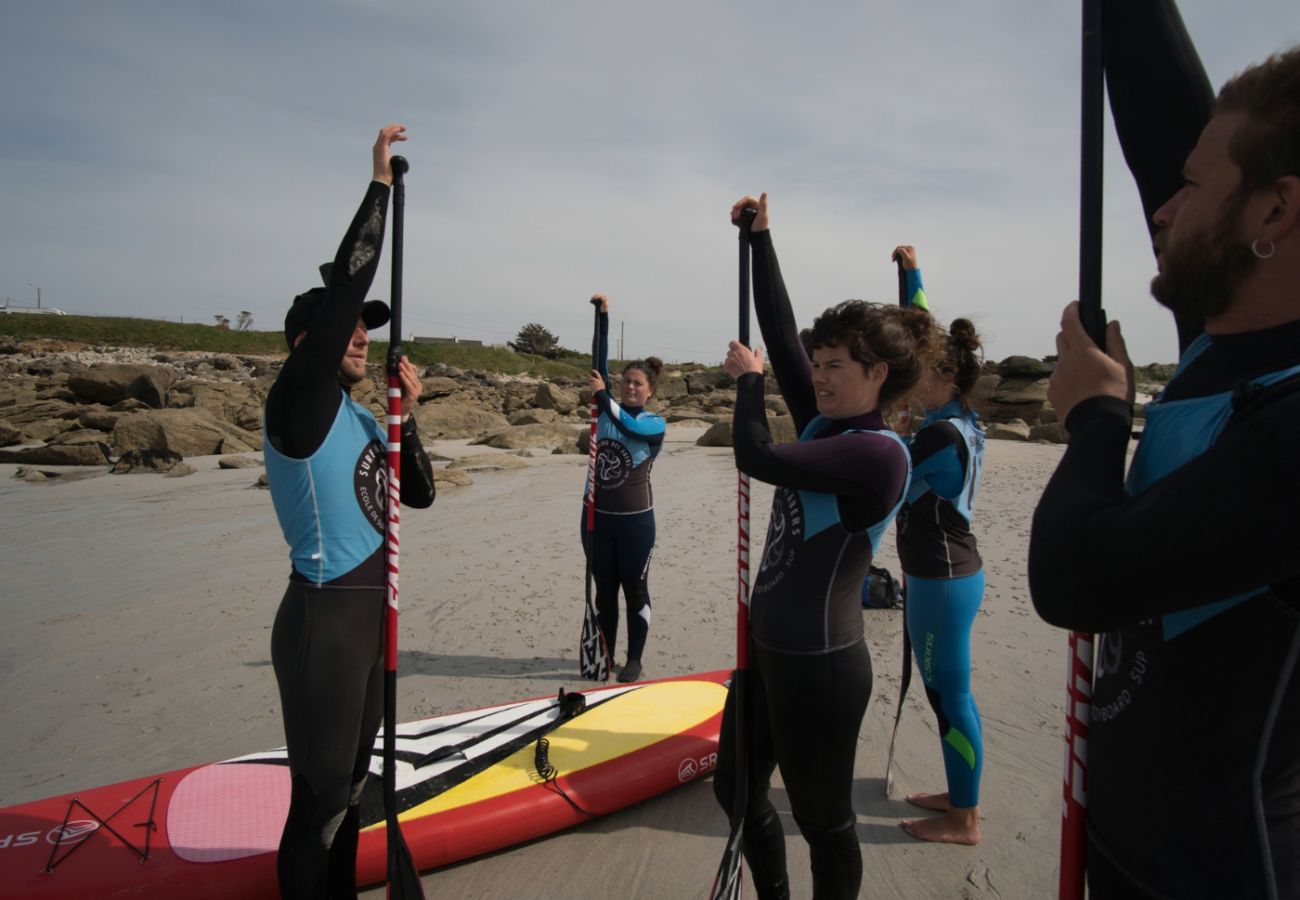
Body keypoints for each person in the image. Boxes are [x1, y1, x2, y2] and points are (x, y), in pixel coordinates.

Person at [1028, 8, 1300, 894]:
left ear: (1274, 208)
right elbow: (1161, 118)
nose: (1164, 208)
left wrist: (1098, 418)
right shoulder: (1218, 351)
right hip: (1114, 852)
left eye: (1191, 186)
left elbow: (1074, 576)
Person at [714, 192, 942, 899]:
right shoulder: (825, 422)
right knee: (736, 792)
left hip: (820, 667)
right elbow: (781, 335)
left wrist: (751, 386)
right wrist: (761, 241)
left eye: (834, 364)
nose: (817, 375)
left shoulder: (877, 453)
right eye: (818, 363)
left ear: (877, 374)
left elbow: (757, 455)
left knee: (823, 823)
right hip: (765, 651)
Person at [263, 123, 436, 900]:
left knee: (353, 798)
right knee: (321, 802)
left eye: (370, 325)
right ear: (309, 340)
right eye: (352, 324)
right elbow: (345, 290)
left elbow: (419, 494)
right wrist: (380, 188)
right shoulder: (298, 401)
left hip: (370, 630)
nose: (364, 334)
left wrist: (408, 416)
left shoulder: (363, 419)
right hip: (323, 625)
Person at [894, 313, 987, 845]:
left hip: (941, 580)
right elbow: (924, 322)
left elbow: (886, 475)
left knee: (950, 700)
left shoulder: (941, 434)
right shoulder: (962, 421)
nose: (910, 378)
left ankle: (964, 819)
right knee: (953, 698)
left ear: (948, 379)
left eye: (920, 371)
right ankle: (960, 796)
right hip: (949, 574)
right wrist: (913, 278)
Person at [583, 293, 666, 683]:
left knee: (634, 590)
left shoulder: (653, 423)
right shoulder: (604, 413)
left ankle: (634, 659)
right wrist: (603, 317)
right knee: (604, 592)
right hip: (597, 520)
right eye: (626, 382)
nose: (630, 387)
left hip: (636, 524)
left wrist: (603, 395)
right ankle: (605, 655)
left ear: (650, 391)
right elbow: (598, 367)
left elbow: (628, 425)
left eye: (638, 383)